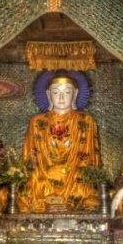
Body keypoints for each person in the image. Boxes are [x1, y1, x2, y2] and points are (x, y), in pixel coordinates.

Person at [22, 72, 101, 212]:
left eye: (67, 92)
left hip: (75, 177)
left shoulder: (86, 121)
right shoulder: (37, 122)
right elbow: (30, 157)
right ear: (48, 94)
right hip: (45, 177)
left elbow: (91, 157)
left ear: (75, 94)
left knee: (85, 187)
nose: (62, 97)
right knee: (33, 185)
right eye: (56, 92)